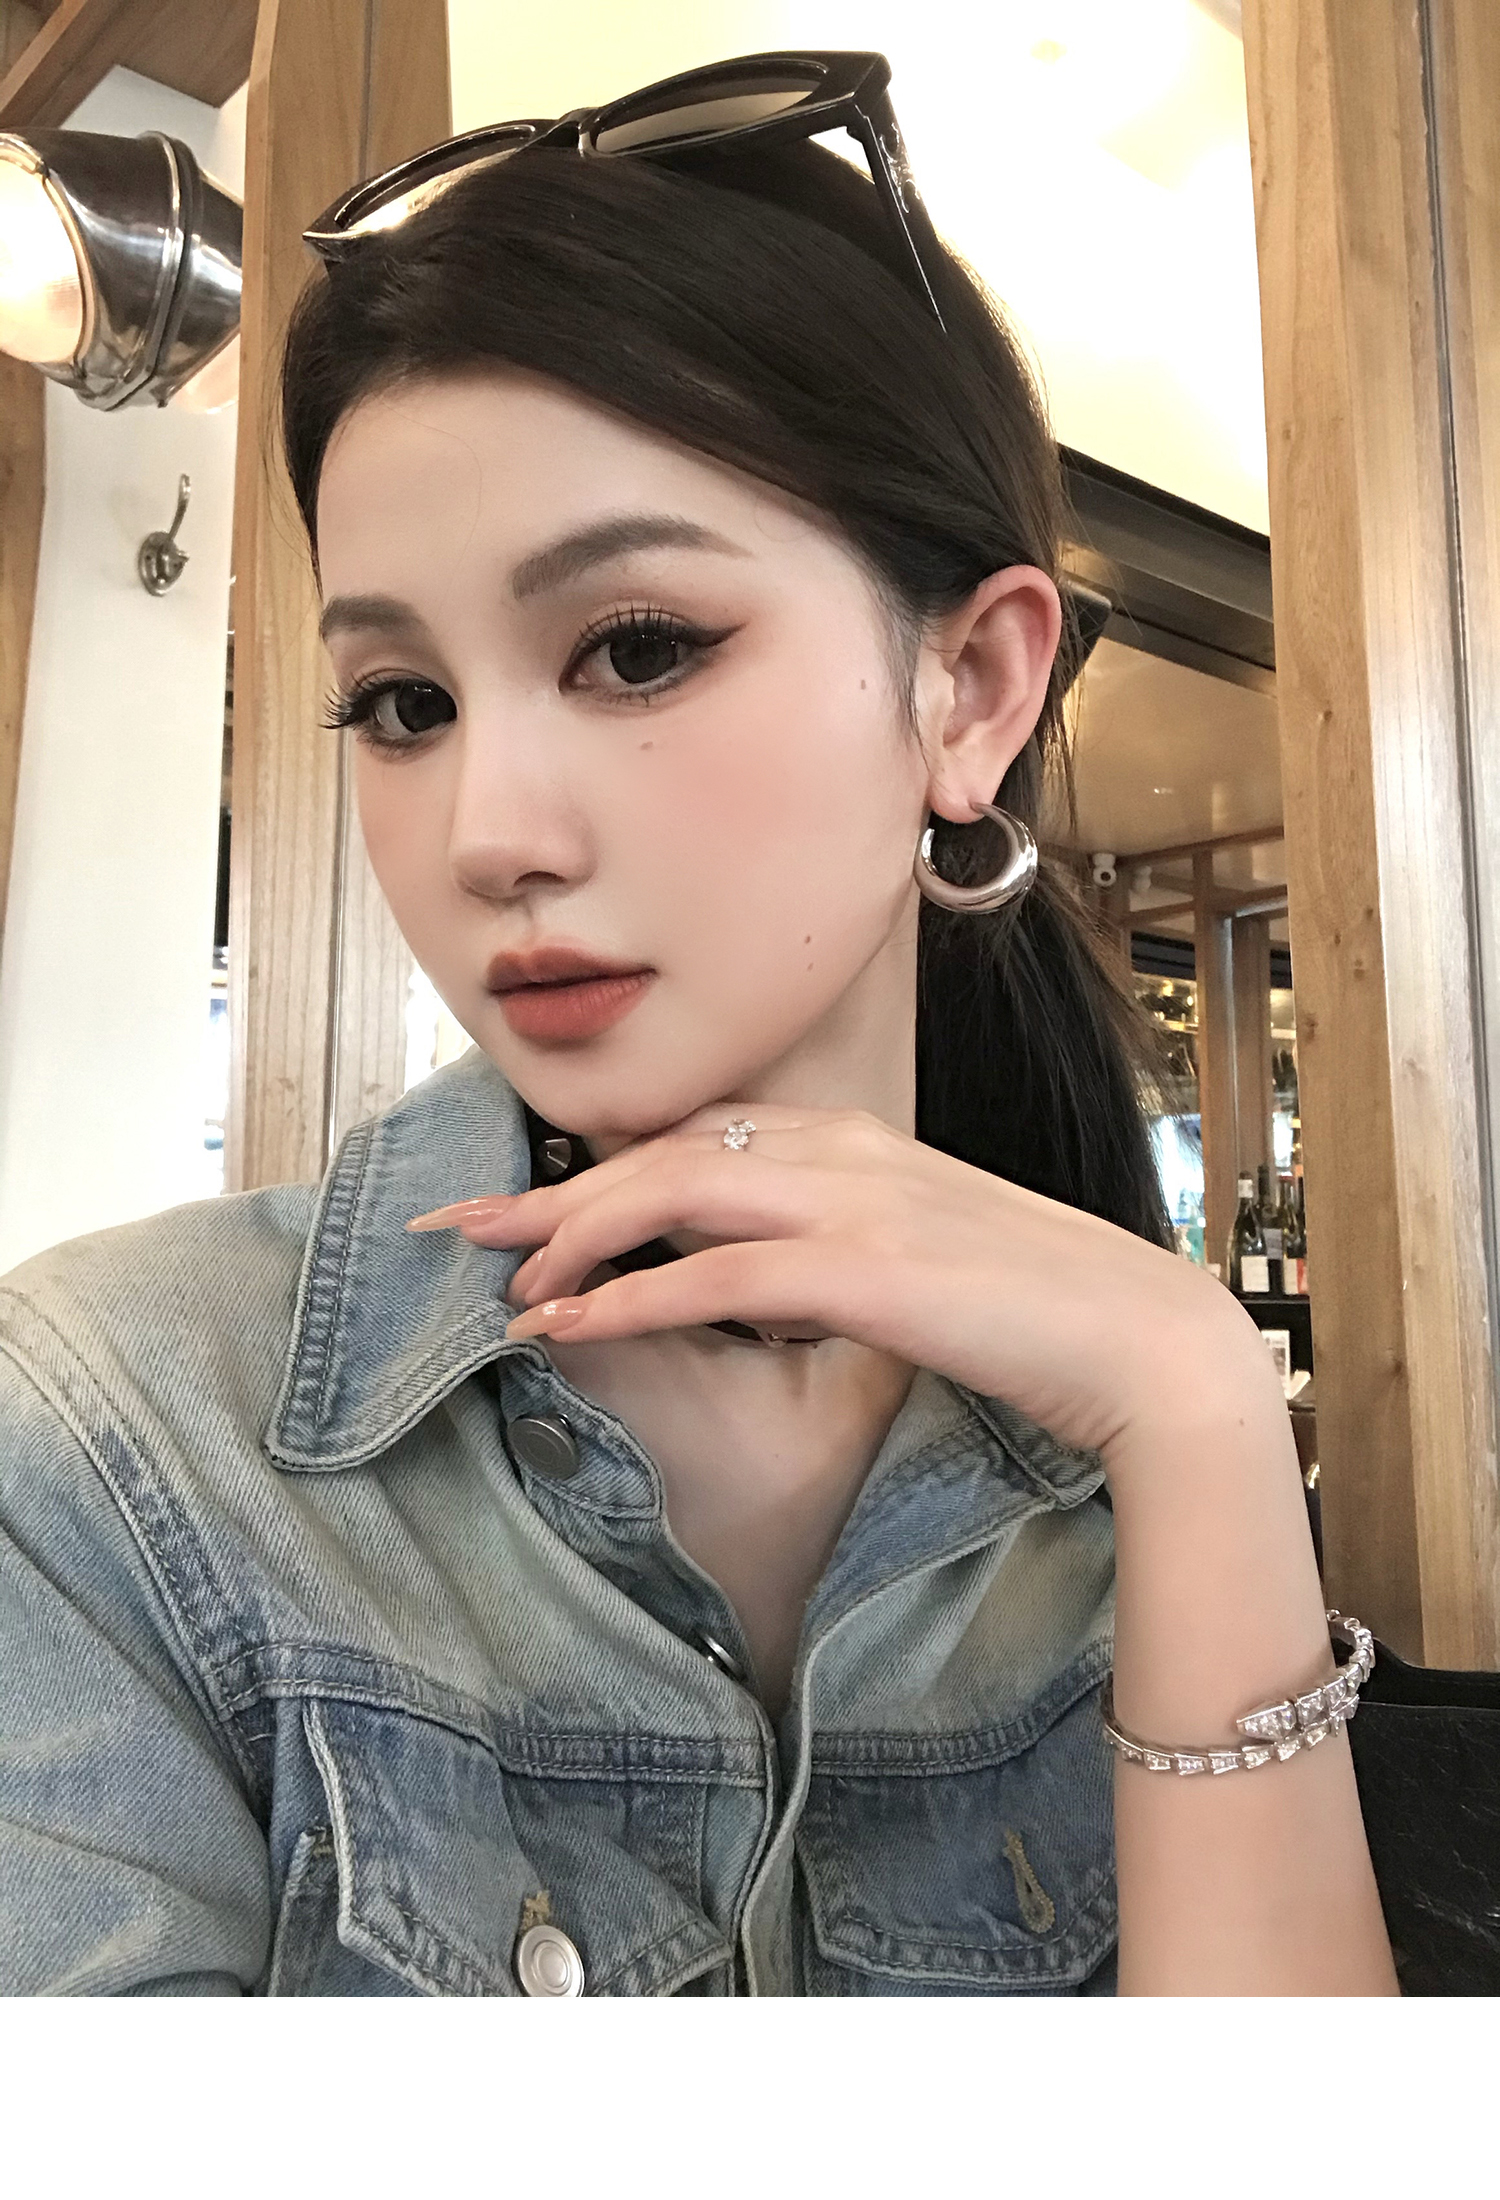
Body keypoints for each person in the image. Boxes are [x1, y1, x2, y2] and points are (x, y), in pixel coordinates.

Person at [0, 52, 1395, 1995]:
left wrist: (1199, 1403)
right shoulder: (110, 1434)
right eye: (404, 702)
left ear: (972, 691)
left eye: (636, 646)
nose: (488, 833)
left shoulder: (1126, 1471)